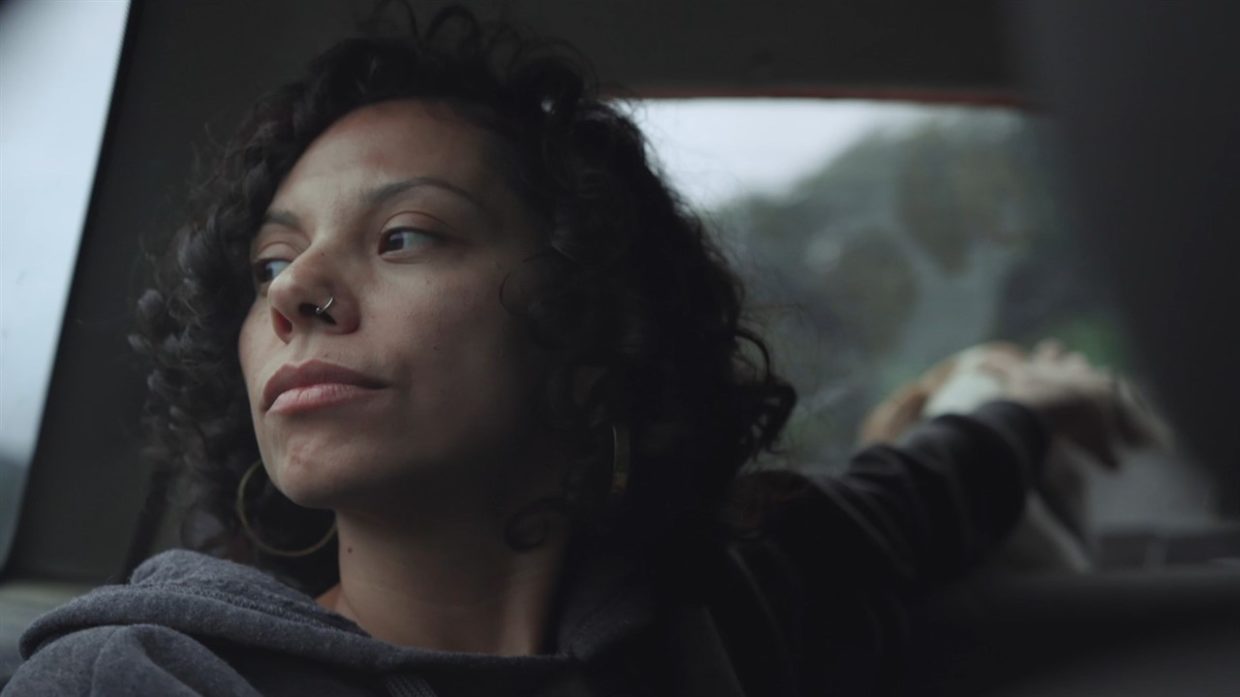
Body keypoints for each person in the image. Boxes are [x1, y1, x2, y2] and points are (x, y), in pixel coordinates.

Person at [4, 7, 1133, 696]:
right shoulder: (146, 680)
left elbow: (913, 501)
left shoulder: (728, 610)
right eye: (267, 266)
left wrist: (1022, 404)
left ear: (591, 331)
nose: (296, 292)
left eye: (404, 235)